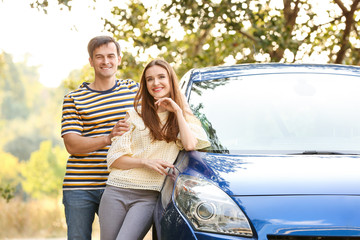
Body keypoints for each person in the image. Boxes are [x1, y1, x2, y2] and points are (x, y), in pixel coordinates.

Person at [98, 59, 210, 240]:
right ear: (145, 84)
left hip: (148, 195)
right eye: (150, 79)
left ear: (170, 80)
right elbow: (114, 159)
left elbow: (190, 145)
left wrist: (178, 111)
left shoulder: (184, 119)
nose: (156, 83)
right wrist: (145, 162)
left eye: (161, 77)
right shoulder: (134, 115)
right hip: (115, 190)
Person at [60, 35, 139, 239]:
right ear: (91, 61)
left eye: (111, 56)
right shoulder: (74, 99)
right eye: (99, 57)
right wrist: (108, 137)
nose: (106, 62)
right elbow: (72, 145)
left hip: (119, 184)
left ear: (119, 59)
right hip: (80, 186)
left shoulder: (133, 90)